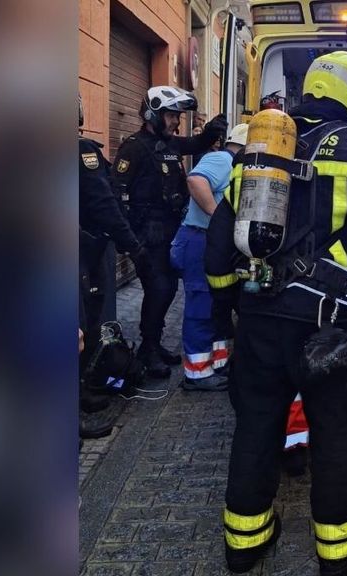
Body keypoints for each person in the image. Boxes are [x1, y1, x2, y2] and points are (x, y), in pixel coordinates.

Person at [205, 51, 347, 575]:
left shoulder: (262, 149)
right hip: (327, 326)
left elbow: (217, 245)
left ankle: (243, 544)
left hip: (259, 318)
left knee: (255, 425)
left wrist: (229, 301)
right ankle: (340, 552)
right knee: (336, 432)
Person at [110, 86, 227, 379]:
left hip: (169, 231)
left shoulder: (170, 145)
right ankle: (147, 351)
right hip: (147, 234)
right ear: (153, 115)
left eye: (177, 116)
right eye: (172, 116)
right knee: (159, 289)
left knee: (166, 290)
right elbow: (116, 192)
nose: (176, 122)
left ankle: (154, 343)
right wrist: (128, 240)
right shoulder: (135, 147)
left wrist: (213, 131)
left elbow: (195, 143)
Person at [78, 93, 150, 438]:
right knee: (83, 324)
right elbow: (104, 203)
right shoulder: (82, 152)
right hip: (83, 252)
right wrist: (131, 245)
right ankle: (86, 393)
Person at [170, 123, 249, 391]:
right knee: (201, 308)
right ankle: (196, 374)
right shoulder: (222, 159)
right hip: (199, 240)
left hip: (210, 241)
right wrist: (219, 218)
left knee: (217, 306)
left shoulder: (233, 164)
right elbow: (195, 180)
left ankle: (216, 362)